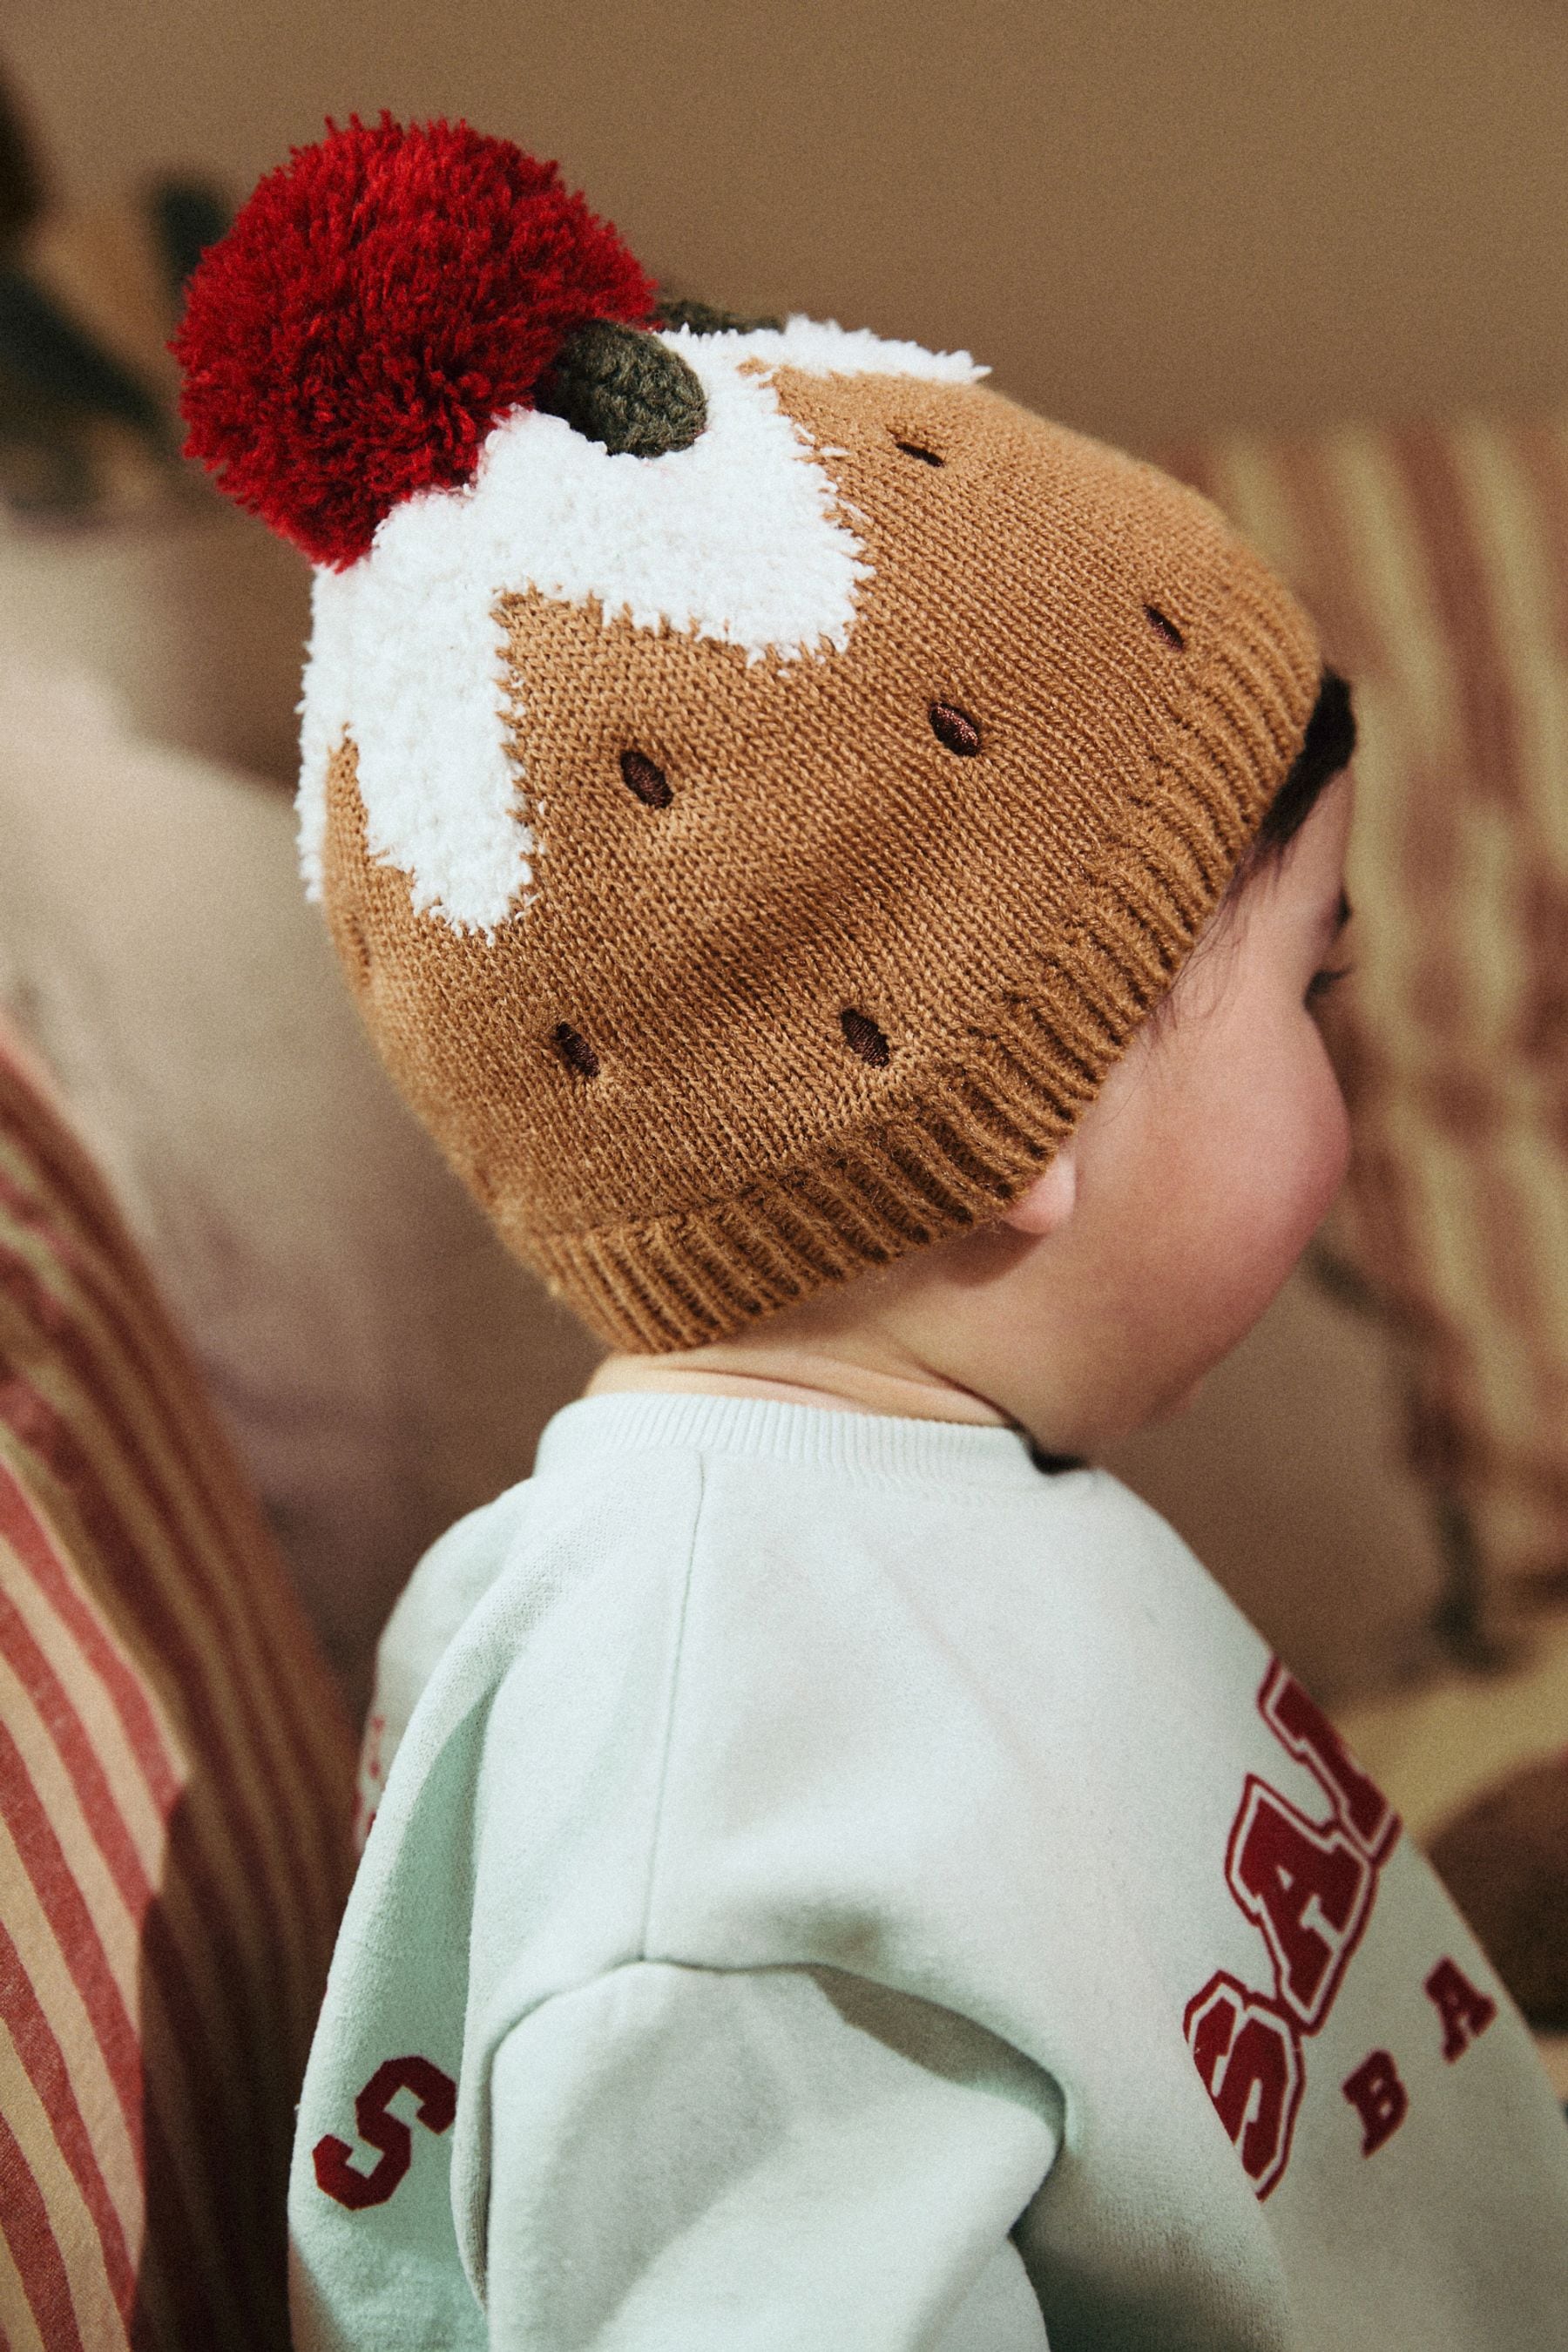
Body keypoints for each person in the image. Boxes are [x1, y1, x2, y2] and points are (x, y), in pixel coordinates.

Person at [176, 117, 1568, 2350]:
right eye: (1312, 984)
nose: (1359, 1066)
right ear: (999, 1079)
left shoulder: (918, 1496)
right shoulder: (713, 1849)